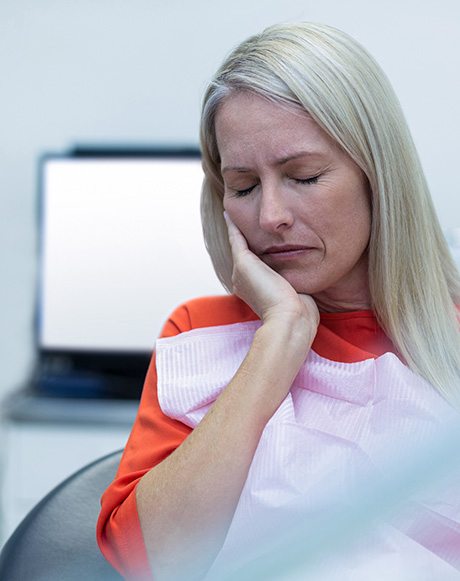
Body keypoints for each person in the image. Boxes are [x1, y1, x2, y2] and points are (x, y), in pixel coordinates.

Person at [97, 21, 460, 580]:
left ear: (378, 174)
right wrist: (280, 336)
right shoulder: (201, 335)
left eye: (304, 176)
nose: (270, 217)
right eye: (242, 187)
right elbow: (153, 562)